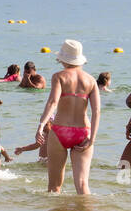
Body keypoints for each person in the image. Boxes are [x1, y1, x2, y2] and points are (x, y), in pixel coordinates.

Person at [33, 40, 100, 195]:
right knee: (83, 185)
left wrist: (41, 125)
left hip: (60, 131)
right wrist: (92, 139)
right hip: (83, 131)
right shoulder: (91, 80)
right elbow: (96, 111)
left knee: (54, 187)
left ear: (63, 59)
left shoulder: (59, 77)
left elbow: (53, 102)